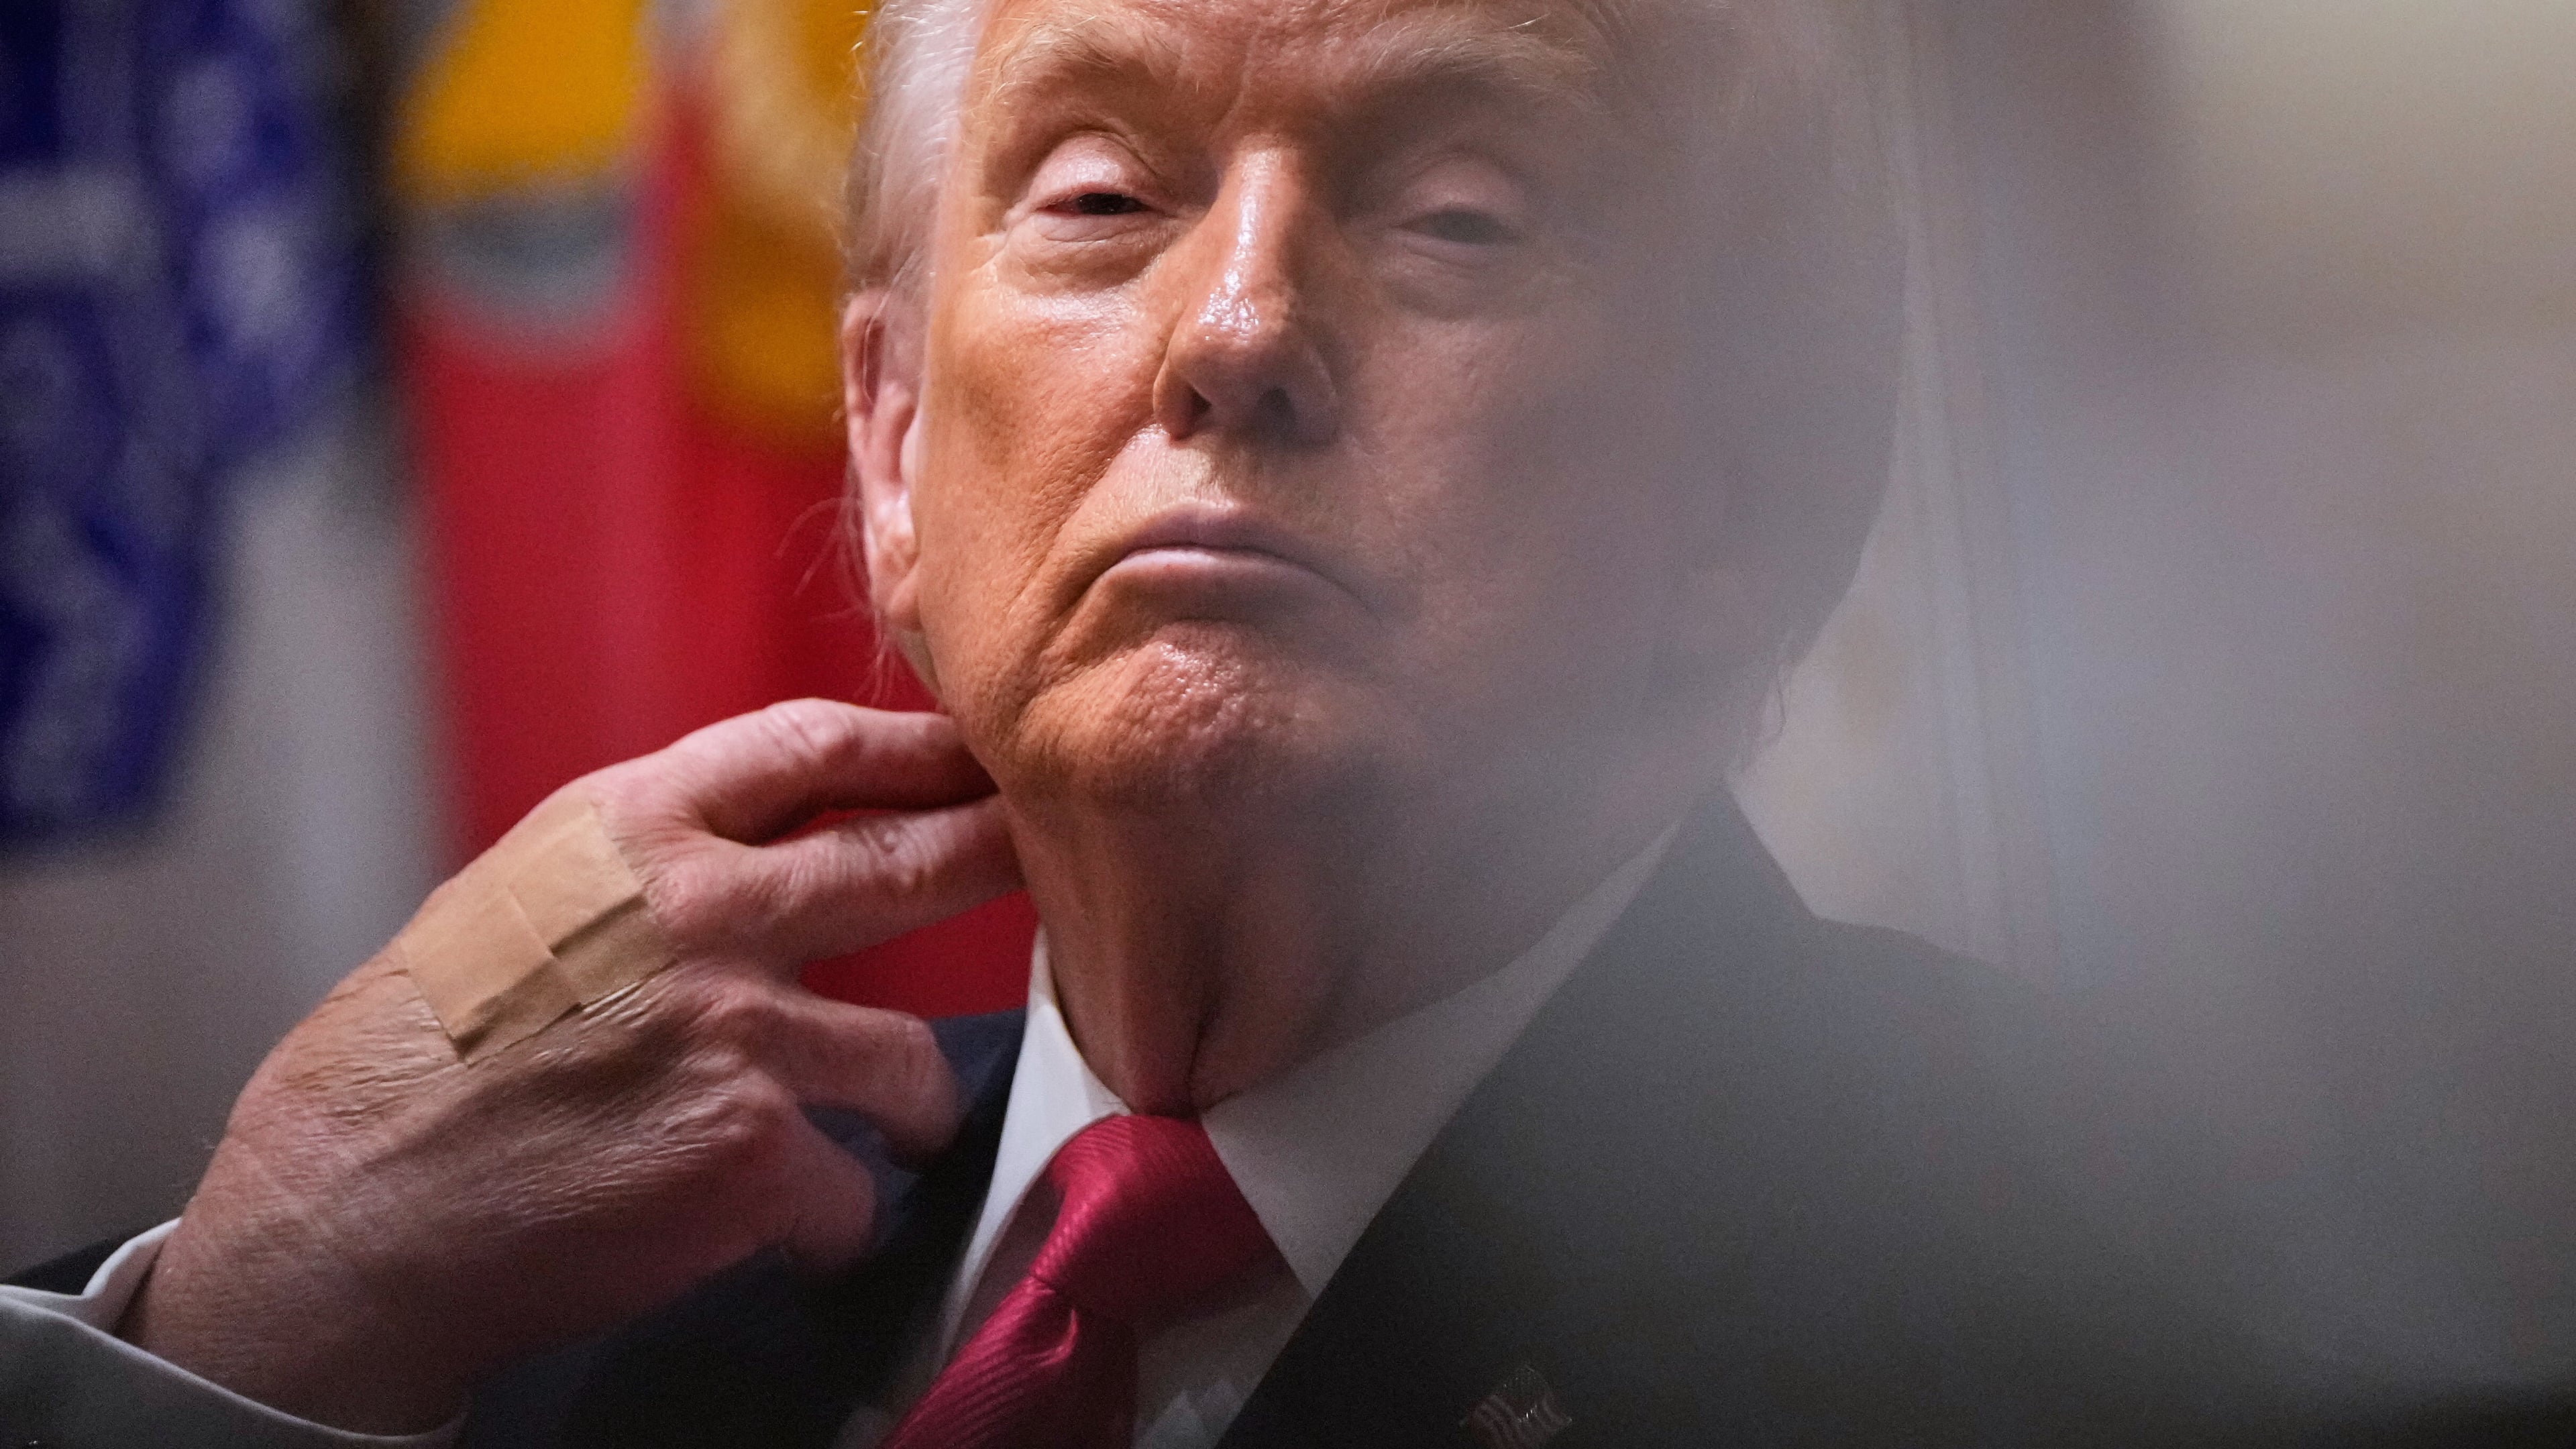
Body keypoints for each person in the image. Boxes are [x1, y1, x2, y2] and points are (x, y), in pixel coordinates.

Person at [0, 0, 2372, 1443]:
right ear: (897, 445)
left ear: (1748, 492)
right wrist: (260, 1314)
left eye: (1455, 218)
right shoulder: (458, 1322)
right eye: (1104, 189)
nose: (1235, 328)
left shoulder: (2143, 1332)